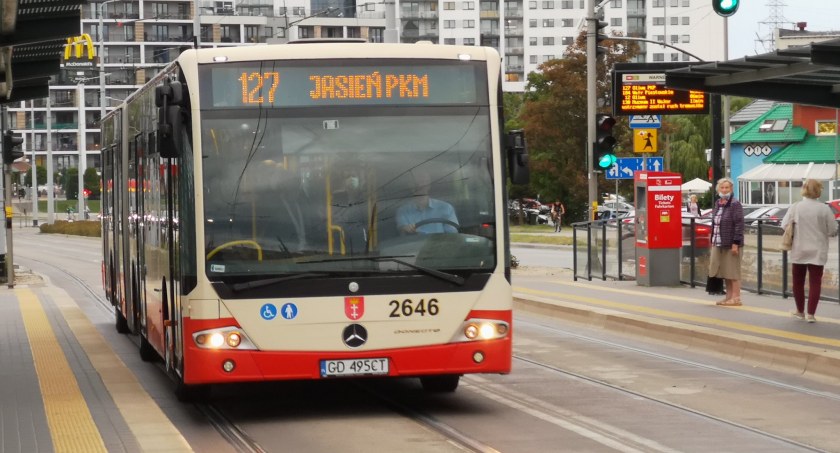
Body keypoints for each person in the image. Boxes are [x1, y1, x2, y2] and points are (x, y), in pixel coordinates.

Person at [780, 179, 838, 323]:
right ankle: (811, 314)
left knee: (798, 282)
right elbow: (832, 230)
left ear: (804, 189)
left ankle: (800, 311)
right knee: (815, 282)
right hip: (818, 249)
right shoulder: (824, 209)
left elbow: (784, 225)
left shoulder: (795, 207)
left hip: (799, 248)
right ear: (819, 191)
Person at [708, 177, 744, 307]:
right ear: (718, 189)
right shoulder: (718, 203)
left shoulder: (735, 204)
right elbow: (715, 223)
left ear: (731, 189)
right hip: (719, 242)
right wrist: (712, 238)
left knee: (733, 271)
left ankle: (736, 297)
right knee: (725, 271)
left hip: (731, 243)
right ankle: (728, 297)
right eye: (722, 188)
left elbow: (739, 224)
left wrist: (736, 243)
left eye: (727, 188)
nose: (724, 190)